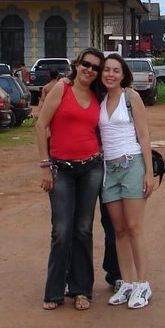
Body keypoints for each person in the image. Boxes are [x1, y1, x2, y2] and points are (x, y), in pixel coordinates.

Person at [35, 48, 105, 311]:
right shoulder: (62, 88)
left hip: (91, 168)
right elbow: (41, 125)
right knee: (61, 230)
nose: (90, 69)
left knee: (83, 230)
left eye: (95, 67)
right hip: (60, 169)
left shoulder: (99, 95)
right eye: (86, 64)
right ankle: (54, 292)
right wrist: (45, 165)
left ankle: (81, 290)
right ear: (77, 64)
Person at [98, 53, 157, 309]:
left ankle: (143, 284)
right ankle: (127, 282)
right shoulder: (99, 100)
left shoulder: (131, 98)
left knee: (134, 227)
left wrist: (148, 172)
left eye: (115, 71)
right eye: (107, 70)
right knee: (119, 230)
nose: (110, 74)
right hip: (109, 171)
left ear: (123, 75)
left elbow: (144, 136)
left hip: (132, 164)